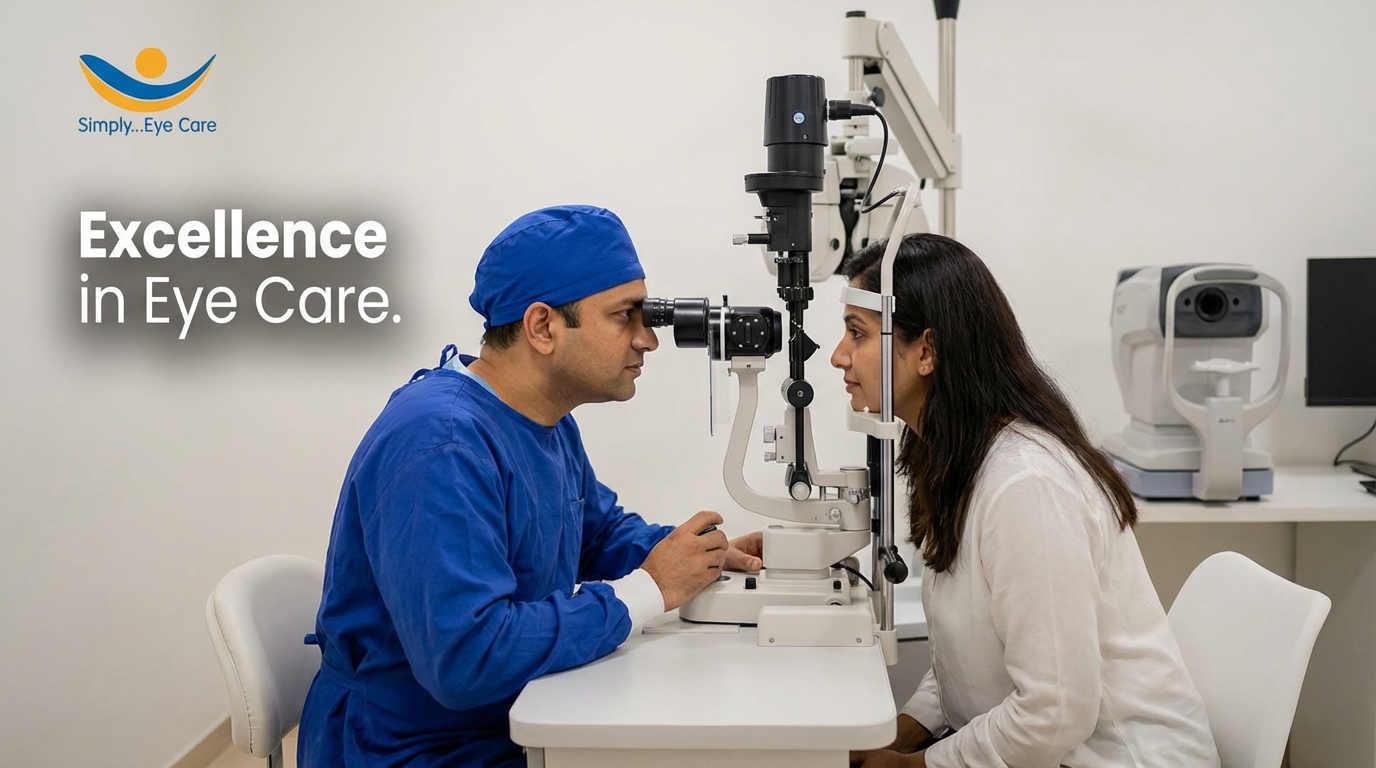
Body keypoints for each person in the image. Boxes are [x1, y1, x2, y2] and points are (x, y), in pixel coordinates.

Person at [298, 204, 763, 768]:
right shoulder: (440, 444)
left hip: (507, 717)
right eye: (625, 317)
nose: (648, 340)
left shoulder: (544, 420)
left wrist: (706, 555)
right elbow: (467, 658)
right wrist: (648, 591)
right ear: (542, 326)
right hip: (412, 745)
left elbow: (595, 533)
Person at [835, 234, 1219, 768]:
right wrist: (897, 735)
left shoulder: (1026, 484)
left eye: (857, 334)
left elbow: (1055, 712)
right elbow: (973, 652)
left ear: (926, 350)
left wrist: (916, 765)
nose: (837, 357)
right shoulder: (955, 459)